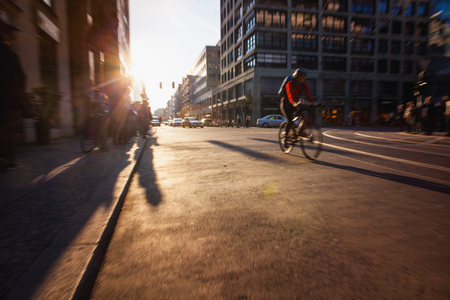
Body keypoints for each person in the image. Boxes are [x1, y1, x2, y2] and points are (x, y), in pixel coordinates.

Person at [0, 19, 25, 170]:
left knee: (5, 129)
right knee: (9, 130)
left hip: (7, 99)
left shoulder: (8, 53)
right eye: (10, 34)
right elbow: (21, 77)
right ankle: (9, 159)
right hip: (11, 100)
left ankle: (6, 158)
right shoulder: (10, 55)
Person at [278, 68, 319, 146]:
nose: (303, 79)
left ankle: (301, 131)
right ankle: (285, 138)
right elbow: (290, 97)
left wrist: (315, 103)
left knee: (304, 115)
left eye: (304, 77)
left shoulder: (305, 84)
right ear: (297, 77)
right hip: (286, 103)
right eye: (302, 77)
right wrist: (294, 104)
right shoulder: (290, 83)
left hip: (296, 102)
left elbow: (309, 95)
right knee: (290, 121)